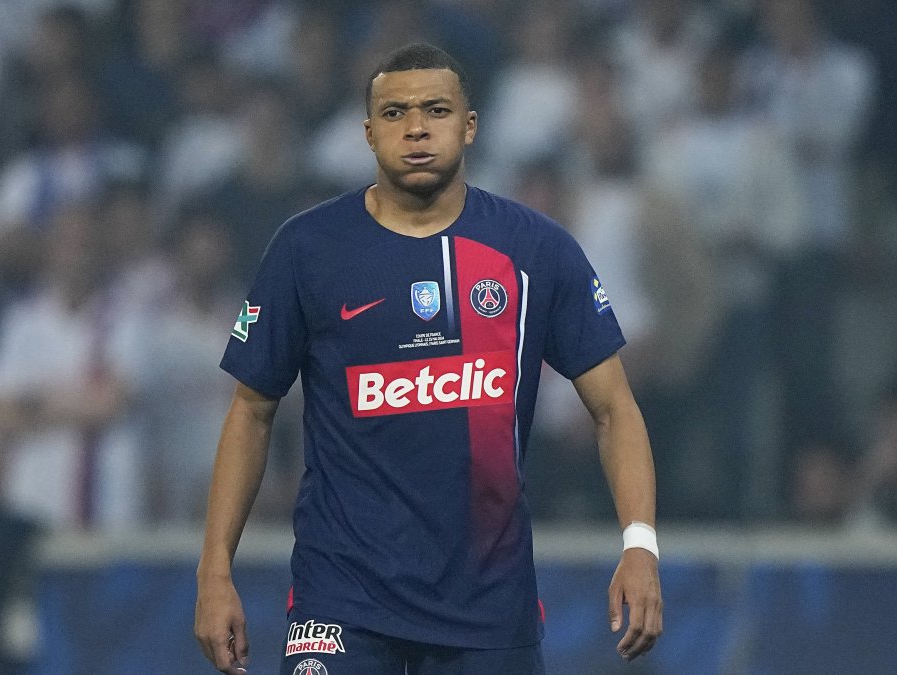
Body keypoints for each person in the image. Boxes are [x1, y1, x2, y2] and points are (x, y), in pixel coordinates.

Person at [194, 43, 663, 674]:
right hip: (342, 599)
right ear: (368, 133)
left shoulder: (535, 250)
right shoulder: (308, 250)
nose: (416, 127)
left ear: (469, 126)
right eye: (394, 113)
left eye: (436, 109)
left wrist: (639, 546)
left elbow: (613, 408)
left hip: (489, 604)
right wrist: (214, 569)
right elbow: (252, 411)